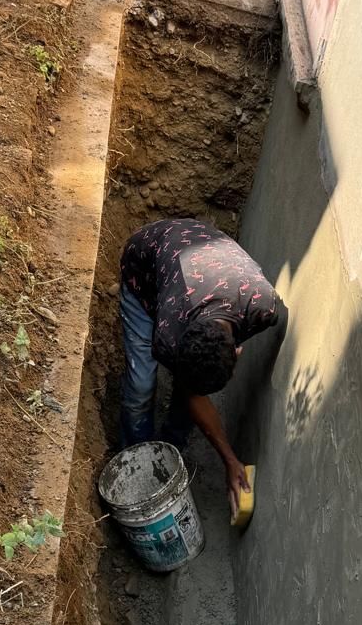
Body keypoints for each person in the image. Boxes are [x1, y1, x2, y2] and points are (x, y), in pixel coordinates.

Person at [118, 217, 287, 513]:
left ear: (237, 351)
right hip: (145, 264)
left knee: (190, 391)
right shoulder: (167, 333)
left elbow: (193, 390)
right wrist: (229, 458)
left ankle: (172, 448)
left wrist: (231, 461)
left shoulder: (263, 308)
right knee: (142, 383)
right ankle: (139, 453)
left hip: (203, 252)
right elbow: (191, 390)